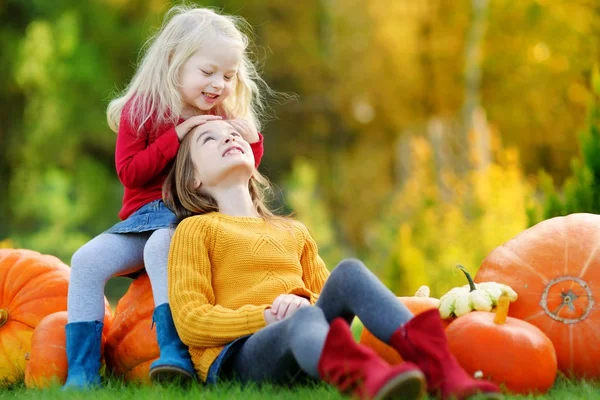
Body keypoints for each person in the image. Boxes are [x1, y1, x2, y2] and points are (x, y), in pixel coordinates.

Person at [162, 120, 503, 400]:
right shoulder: (195, 230)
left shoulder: (294, 231)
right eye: (209, 139)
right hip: (240, 358)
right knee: (300, 320)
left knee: (349, 273)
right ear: (194, 178)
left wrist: (298, 306)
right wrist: (267, 316)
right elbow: (192, 320)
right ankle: (370, 380)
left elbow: (322, 296)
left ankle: (444, 373)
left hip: (307, 341)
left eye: (234, 134)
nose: (229, 138)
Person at [64, 5, 273, 388]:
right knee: (85, 261)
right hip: (141, 219)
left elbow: (241, 172)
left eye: (228, 76)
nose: (218, 85)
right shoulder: (141, 111)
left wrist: (251, 139)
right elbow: (130, 172)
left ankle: (173, 352)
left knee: (161, 245)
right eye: (208, 72)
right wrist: (175, 137)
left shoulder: (221, 116)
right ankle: (81, 373)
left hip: (192, 219)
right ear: (174, 61)